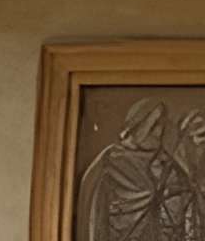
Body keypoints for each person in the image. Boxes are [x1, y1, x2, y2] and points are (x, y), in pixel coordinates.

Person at [80, 101, 198, 241]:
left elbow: (186, 207)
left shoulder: (168, 165)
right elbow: (96, 217)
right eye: (154, 125)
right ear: (138, 125)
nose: (159, 132)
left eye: (162, 124)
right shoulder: (111, 163)